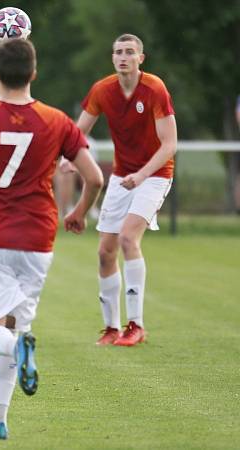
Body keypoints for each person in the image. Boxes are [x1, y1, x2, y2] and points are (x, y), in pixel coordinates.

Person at [0, 38, 103, 440]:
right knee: (12, 327)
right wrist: (79, 212)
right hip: (37, 240)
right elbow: (94, 177)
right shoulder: (57, 120)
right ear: (34, 73)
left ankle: (17, 354)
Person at [77, 34, 177, 347]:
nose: (123, 57)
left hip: (156, 174)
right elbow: (77, 133)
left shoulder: (154, 88)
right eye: (118, 52)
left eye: (130, 52)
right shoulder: (102, 90)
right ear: (112, 58)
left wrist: (143, 173)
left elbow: (170, 144)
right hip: (123, 177)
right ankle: (111, 328)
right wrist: (69, 159)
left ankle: (136, 325)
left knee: (127, 238)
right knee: (105, 252)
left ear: (141, 58)